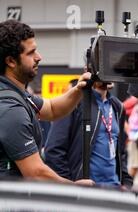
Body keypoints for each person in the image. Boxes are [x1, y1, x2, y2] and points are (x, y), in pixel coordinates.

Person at [0, 20, 93, 186]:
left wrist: (79, 88)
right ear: (11, 61)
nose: (39, 57)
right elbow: (35, 173)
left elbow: (52, 109)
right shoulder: (10, 108)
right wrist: (76, 189)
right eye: (31, 53)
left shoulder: (17, 94)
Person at [45, 80, 133, 189]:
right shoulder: (74, 103)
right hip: (85, 194)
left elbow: (120, 151)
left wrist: (126, 182)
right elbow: (53, 150)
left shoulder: (117, 106)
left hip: (114, 189)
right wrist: (70, 185)